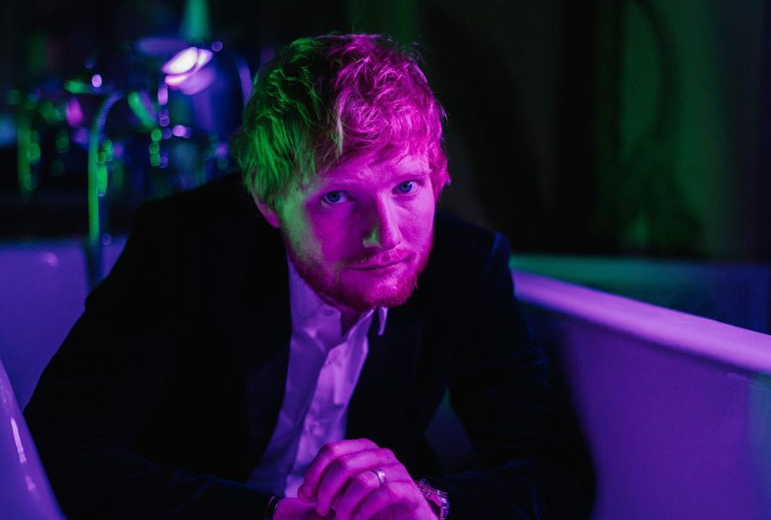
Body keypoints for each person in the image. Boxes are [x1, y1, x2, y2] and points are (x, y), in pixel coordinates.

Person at [25, 34, 594, 520]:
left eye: (406, 187)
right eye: (339, 197)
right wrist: (266, 515)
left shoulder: (466, 268)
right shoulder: (185, 246)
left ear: (437, 178)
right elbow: (59, 444)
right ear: (268, 200)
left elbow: (555, 468)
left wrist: (431, 505)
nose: (386, 235)